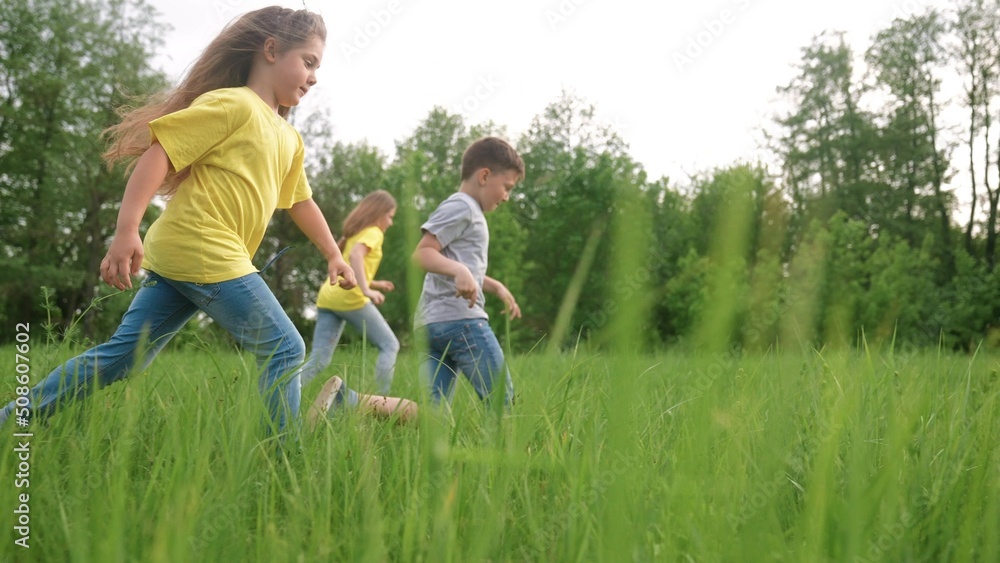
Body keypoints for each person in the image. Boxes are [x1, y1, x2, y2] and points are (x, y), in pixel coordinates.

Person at [0, 7, 355, 435]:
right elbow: (161, 152)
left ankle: (9, 421)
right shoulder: (234, 104)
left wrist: (334, 254)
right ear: (271, 50)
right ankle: (285, 456)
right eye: (308, 62)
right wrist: (126, 229)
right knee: (285, 347)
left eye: (318, 68)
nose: (313, 77)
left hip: (186, 255)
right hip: (205, 248)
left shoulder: (288, 136)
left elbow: (300, 200)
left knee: (125, 357)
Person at [411, 136, 524, 406]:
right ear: (484, 176)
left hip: (431, 324)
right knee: (502, 404)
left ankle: (348, 401)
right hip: (461, 321)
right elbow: (422, 254)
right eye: (507, 187)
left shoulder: (466, 210)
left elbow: (458, 265)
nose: (506, 197)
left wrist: (495, 286)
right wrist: (459, 270)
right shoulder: (463, 207)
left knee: (432, 415)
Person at [299, 190, 401, 395]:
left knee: (319, 359)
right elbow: (355, 256)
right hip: (350, 298)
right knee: (390, 345)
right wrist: (366, 290)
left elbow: (350, 264)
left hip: (328, 297)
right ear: (379, 213)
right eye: (390, 216)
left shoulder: (355, 232)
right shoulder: (374, 232)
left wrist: (375, 283)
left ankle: (283, 393)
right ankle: (380, 402)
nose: (390, 223)